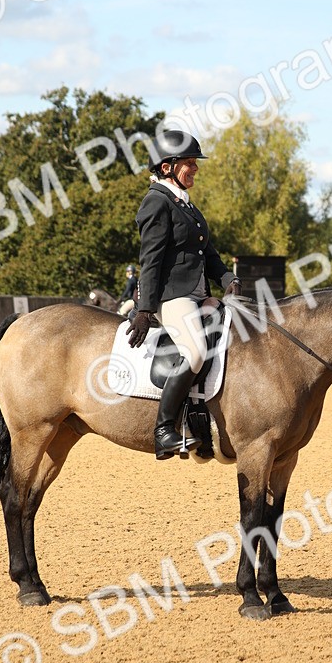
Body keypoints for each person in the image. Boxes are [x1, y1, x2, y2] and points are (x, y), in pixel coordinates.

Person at [128, 130, 241, 459]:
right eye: (189, 163)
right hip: (172, 298)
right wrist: (145, 309)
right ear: (167, 167)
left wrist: (228, 280)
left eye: (195, 163)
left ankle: (206, 422)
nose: (195, 169)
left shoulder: (187, 206)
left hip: (199, 295)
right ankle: (164, 430)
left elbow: (210, 255)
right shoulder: (156, 202)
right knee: (193, 352)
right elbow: (150, 260)